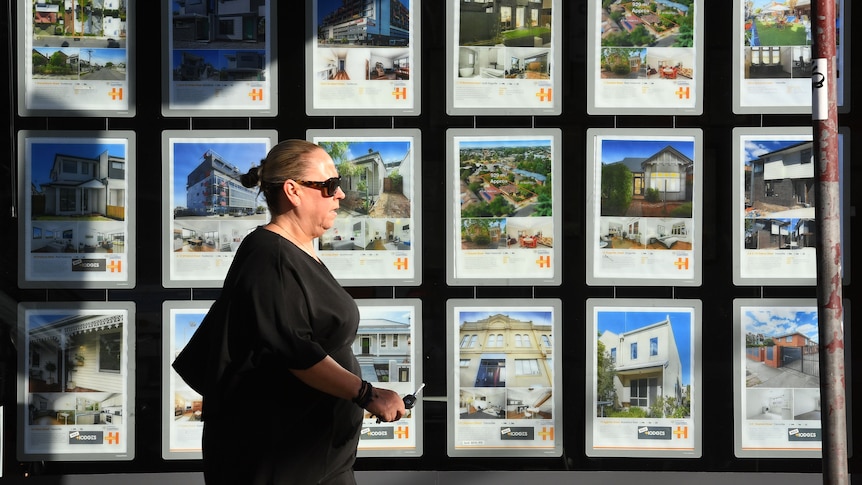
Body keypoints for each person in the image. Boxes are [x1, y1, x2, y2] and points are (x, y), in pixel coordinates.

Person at [172, 139, 406, 485]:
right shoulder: (270, 255)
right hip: (280, 462)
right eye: (329, 186)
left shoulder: (296, 252)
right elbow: (295, 350)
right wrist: (367, 395)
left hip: (317, 459)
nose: (340, 194)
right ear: (293, 191)